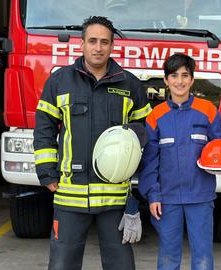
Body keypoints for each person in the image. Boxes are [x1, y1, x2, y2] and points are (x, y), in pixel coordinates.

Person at [33, 16, 152, 270]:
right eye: (93, 41)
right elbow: (44, 128)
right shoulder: (59, 81)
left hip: (115, 198)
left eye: (104, 42)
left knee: (121, 265)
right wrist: (46, 172)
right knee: (62, 264)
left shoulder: (130, 84)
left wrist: (139, 185)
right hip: (69, 195)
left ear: (112, 46)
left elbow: (144, 134)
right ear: (82, 44)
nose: (98, 48)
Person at [138, 53, 221, 270]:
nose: (179, 81)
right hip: (167, 198)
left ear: (192, 79)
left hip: (200, 197)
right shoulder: (156, 115)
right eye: (174, 76)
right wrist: (153, 195)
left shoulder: (206, 110)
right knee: (169, 256)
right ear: (166, 80)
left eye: (185, 75)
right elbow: (149, 161)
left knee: (203, 256)